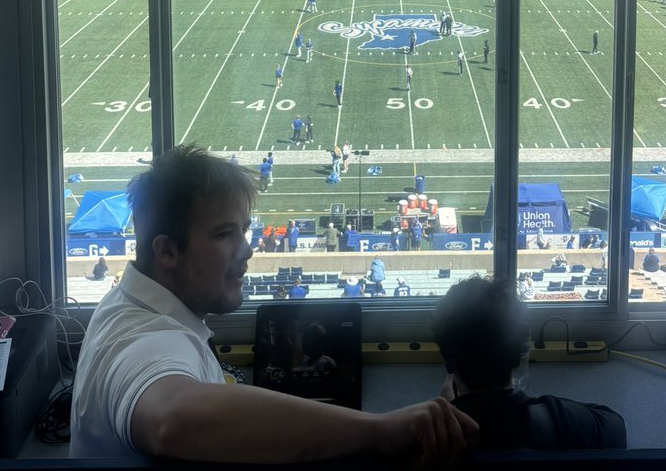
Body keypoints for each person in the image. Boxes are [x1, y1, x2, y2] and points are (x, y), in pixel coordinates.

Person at [70, 145, 477, 463]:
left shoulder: (126, 302)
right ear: (167, 251)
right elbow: (171, 420)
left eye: (244, 230)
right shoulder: (149, 341)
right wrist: (380, 430)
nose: (247, 250)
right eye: (225, 234)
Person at [432, 277, 626, 451]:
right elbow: (616, 429)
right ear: (519, 355)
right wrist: (551, 408)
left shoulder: (429, 439)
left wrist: (452, 407)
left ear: (449, 364)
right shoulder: (557, 422)